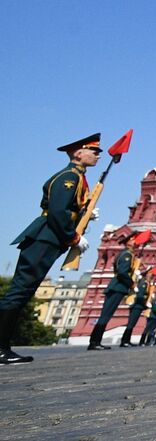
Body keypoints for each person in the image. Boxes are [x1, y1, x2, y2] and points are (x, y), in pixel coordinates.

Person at [1, 134, 100, 365]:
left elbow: (66, 208)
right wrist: (74, 237)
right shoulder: (69, 176)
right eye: (94, 151)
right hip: (45, 238)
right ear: (78, 153)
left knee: (24, 292)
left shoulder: (77, 176)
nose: (97, 155)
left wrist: (85, 214)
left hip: (50, 239)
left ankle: (3, 347)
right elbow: (57, 211)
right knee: (19, 291)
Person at [90, 232, 143, 350]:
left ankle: (95, 341)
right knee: (105, 315)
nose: (136, 242)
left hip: (117, 287)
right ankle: (94, 342)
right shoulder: (127, 255)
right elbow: (122, 273)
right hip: (117, 287)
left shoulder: (127, 254)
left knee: (106, 315)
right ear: (128, 242)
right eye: (134, 240)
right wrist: (132, 283)